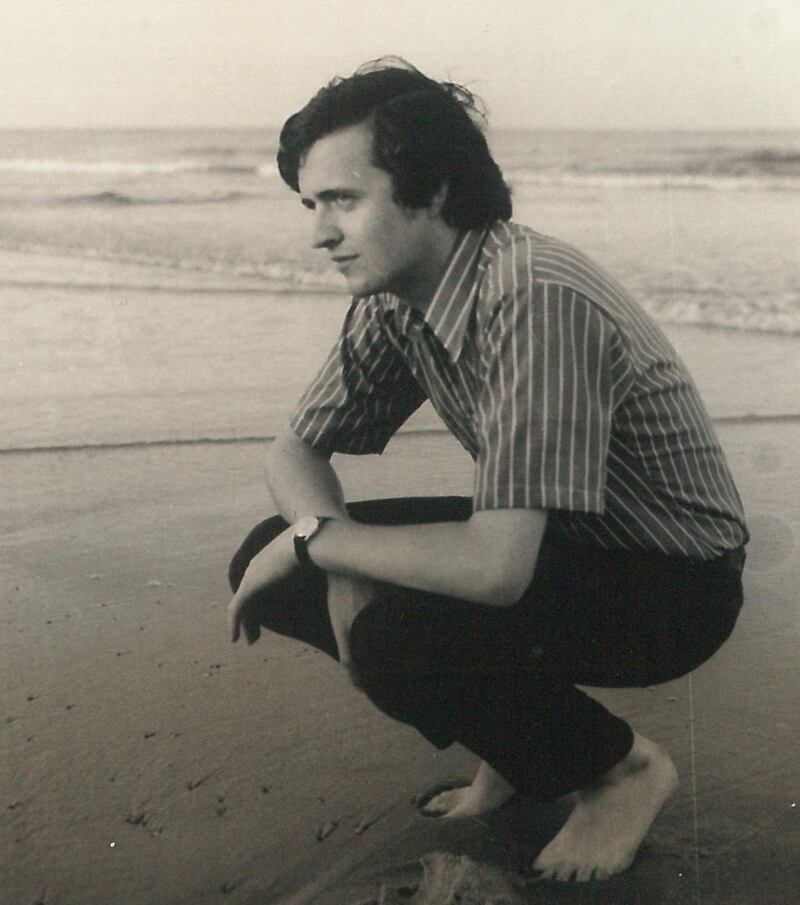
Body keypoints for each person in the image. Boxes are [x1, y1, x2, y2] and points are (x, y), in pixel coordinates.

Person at [227, 59, 748, 883]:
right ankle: (519, 740)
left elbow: (498, 571)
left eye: (342, 200)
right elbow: (294, 451)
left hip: (674, 583)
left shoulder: (534, 296)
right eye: (310, 205)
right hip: (564, 545)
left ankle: (620, 772)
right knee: (278, 558)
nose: (319, 233)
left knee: (388, 627)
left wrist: (319, 545)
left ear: (431, 191)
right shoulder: (399, 296)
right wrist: (324, 554)